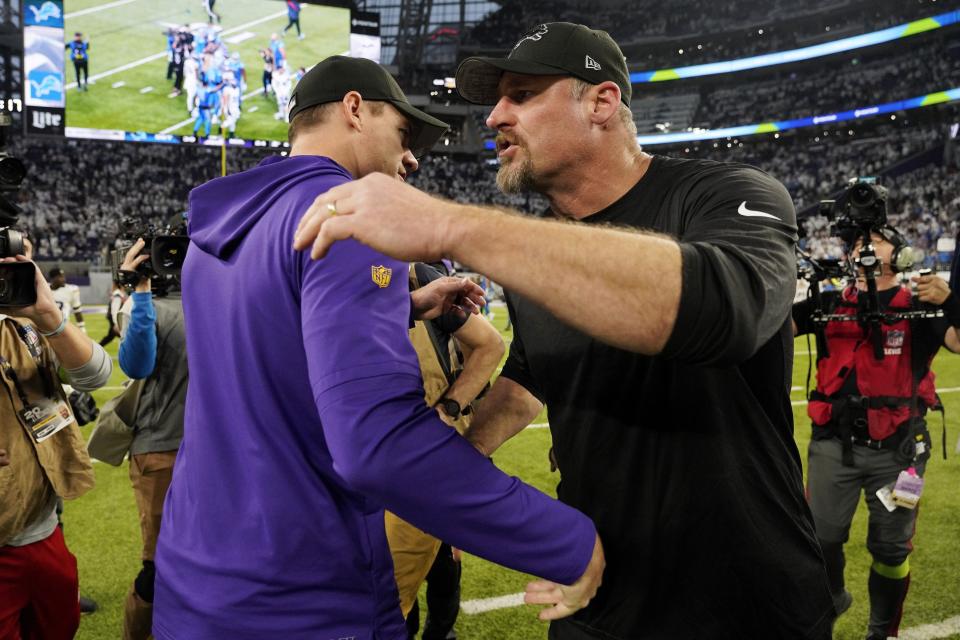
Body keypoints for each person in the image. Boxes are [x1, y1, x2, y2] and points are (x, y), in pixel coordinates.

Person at [293, 23, 835, 639]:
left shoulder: (726, 195)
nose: (494, 115)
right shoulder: (534, 254)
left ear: (602, 102)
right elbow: (532, 376)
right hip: (596, 595)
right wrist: (449, 466)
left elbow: (724, 309)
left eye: (520, 94)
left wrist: (455, 226)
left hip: (745, 600)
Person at [153, 54, 603, 640]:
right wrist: (566, 543)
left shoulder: (220, 230)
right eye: (404, 132)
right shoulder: (352, 219)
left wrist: (402, 306)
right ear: (355, 110)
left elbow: (270, 338)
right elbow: (377, 445)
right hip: (300, 591)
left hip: (197, 578)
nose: (412, 157)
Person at [793, 229, 960, 640]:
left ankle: (882, 631)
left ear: (900, 251)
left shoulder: (922, 304)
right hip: (834, 445)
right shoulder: (828, 303)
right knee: (822, 537)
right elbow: (765, 327)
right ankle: (832, 594)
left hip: (901, 451)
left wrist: (952, 302)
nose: (864, 246)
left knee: (891, 548)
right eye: (855, 240)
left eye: (876, 236)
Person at [389, 262, 504, 640]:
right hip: (371, 454)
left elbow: (489, 345)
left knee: (438, 556)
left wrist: (450, 407)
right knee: (392, 572)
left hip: (429, 452)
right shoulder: (331, 271)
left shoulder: (419, 274)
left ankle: (441, 632)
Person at [0, 254, 113, 638]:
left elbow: (96, 374)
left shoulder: (24, 322)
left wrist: (48, 314)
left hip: (43, 526)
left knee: (58, 628)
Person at [115, 238, 188, 640]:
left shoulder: (210, 298)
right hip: (164, 450)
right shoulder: (154, 306)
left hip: (202, 450)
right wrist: (141, 294)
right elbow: (137, 364)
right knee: (159, 568)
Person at [48, 267, 85, 334]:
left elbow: (77, 310)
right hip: (47, 326)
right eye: (60, 277)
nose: (63, 279)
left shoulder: (71, 290)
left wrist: (81, 327)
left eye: (63, 276)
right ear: (53, 278)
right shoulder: (44, 289)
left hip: (63, 326)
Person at [99, 279, 126, 347]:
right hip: (115, 320)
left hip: (115, 319)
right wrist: (116, 323)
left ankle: (98, 347)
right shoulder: (117, 295)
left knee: (110, 337)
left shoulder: (118, 294)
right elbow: (115, 310)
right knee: (125, 337)